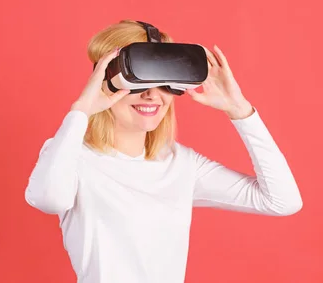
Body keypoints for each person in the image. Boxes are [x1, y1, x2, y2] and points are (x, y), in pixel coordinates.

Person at [25, 20, 303, 283]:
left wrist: (240, 109)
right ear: (105, 80)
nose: (152, 95)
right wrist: (82, 110)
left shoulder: (181, 165)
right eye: (139, 82)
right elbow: (48, 198)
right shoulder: (72, 155)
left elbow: (282, 201)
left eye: (165, 83)